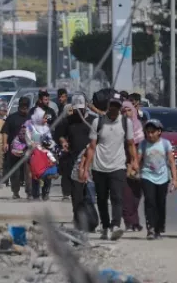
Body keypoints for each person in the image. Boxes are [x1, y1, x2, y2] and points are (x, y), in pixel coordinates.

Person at [82, 93, 137, 241]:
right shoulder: (98, 122)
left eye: (117, 106)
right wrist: (86, 168)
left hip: (118, 166)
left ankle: (115, 226)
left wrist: (135, 161)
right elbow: (91, 148)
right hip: (99, 167)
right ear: (108, 106)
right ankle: (105, 227)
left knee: (117, 197)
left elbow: (131, 144)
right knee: (101, 199)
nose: (114, 109)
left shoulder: (126, 123)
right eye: (112, 105)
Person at [138, 119, 177, 240]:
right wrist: (134, 166)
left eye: (153, 132)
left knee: (160, 203)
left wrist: (175, 179)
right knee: (150, 201)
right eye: (148, 132)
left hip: (162, 177)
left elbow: (171, 161)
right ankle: (150, 228)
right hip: (147, 175)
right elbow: (138, 158)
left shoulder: (165, 144)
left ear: (159, 132)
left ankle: (158, 229)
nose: (150, 135)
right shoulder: (143, 144)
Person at [66, 94, 95, 229]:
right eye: (76, 109)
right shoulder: (69, 121)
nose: (79, 112)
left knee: (89, 194)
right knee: (76, 194)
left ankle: (91, 220)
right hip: (74, 162)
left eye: (81, 109)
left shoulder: (93, 122)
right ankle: (77, 219)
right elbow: (60, 135)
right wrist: (63, 141)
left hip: (91, 162)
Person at [2, 96, 32, 199]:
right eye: (23, 106)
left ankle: (29, 192)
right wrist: (5, 143)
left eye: (26, 106)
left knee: (29, 171)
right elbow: (5, 131)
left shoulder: (31, 118)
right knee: (15, 171)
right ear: (19, 106)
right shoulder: (12, 118)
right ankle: (15, 191)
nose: (24, 108)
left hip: (28, 148)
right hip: (14, 149)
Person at [121, 100, 144, 232]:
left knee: (137, 194)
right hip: (123, 164)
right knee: (126, 194)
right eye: (123, 111)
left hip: (138, 164)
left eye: (129, 110)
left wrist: (137, 163)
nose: (126, 113)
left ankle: (134, 221)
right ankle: (130, 222)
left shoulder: (139, 127)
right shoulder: (119, 127)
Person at [55, 88, 72, 201]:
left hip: (72, 143)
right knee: (65, 169)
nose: (61, 99)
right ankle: (66, 192)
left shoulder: (72, 118)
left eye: (63, 96)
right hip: (63, 143)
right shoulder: (59, 109)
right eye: (60, 97)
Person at [29, 135, 59, 201]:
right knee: (47, 180)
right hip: (45, 170)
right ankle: (45, 194)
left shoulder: (35, 148)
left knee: (35, 181)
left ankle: (36, 196)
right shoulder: (48, 152)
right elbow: (54, 161)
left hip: (36, 170)